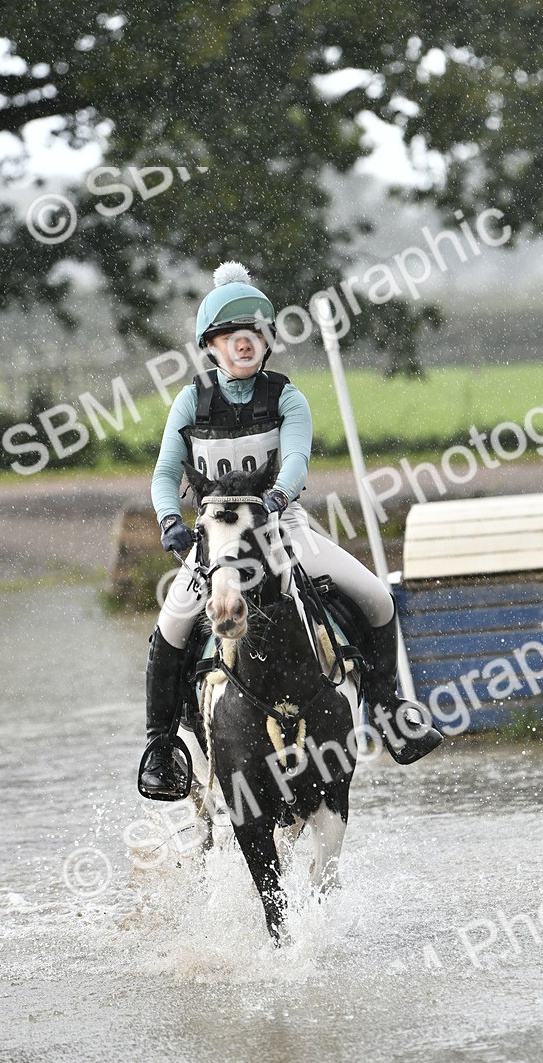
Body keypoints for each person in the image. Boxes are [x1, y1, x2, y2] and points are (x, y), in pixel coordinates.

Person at [138, 261, 442, 801]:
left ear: (267, 339)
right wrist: (171, 522)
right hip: (217, 539)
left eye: (253, 333)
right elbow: (165, 474)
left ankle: (390, 709)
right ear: (211, 346)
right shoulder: (189, 402)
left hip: (283, 527)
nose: (243, 343)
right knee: (169, 631)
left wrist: (277, 497)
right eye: (230, 336)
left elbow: (296, 460)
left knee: (376, 597)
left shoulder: (286, 398)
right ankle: (162, 748)